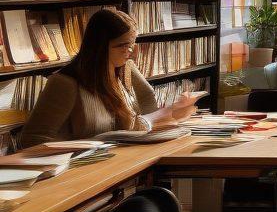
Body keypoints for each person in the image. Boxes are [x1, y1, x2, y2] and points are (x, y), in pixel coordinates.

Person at [19, 9, 197, 148]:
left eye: (133, 44)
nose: (132, 52)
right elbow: (32, 140)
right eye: (124, 46)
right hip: (79, 168)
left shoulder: (125, 68)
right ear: (100, 47)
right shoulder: (65, 83)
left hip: (121, 160)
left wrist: (171, 114)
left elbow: (146, 105)